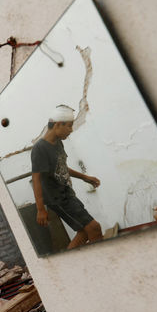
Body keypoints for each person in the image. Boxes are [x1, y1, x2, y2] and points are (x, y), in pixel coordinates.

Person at [31, 105, 103, 249]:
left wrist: (84, 177)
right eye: (69, 126)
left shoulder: (58, 143)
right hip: (57, 198)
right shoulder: (40, 149)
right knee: (94, 228)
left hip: (66, 194)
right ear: (58, 124)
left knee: (83, 233)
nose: (71, 130)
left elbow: (61, 168)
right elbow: (36, 179)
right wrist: (40, 209)